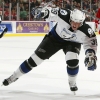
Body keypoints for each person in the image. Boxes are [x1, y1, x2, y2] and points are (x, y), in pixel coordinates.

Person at [2, 8, 97, 92]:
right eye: (73, 22)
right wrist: (42, 12)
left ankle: (72, 83)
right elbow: (51, 12)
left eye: (78, 23)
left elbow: (91, 43)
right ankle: (13, 77)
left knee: (72, 61)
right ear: (70, 18)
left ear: (82, 22)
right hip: (54, 39)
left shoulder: (86, 30)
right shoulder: (64, 14)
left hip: (72, 42)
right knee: (33, 61)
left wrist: (90, 55)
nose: (75, 25)